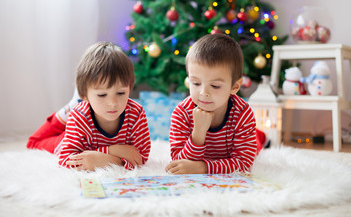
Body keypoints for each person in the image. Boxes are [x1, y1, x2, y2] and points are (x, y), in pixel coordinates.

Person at [27, 42, 151, 171]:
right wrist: (112, 151)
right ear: (85, 95)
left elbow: (140, 158)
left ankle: (80, 105)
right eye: (102, 95)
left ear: (129, 89)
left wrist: (104, 159)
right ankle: (70, 107)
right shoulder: (79, 116)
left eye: (121, 93)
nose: (113, 103)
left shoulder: (136, 113)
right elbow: (65, 160)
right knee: (34, 142)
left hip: (83, 136)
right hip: (71, 135)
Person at [165, 34, 267, 175]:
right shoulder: (181, 113)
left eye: (215, 85)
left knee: (256, 144)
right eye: (195, 83)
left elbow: (244, 163)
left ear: (235, 87)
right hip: (218, 154)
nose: (203, 92)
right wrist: (198, 133)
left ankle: (260, 136)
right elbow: (179, 163)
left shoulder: (243, 113)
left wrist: (202, 168)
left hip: (243, 137)